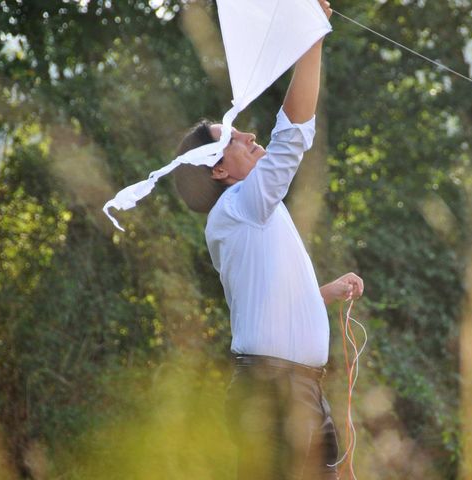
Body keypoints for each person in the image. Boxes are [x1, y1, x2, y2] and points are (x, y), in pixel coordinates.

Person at [172, 1, 363, 478]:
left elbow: (270, 309)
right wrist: (311, 35)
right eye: (233, 137)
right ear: (218, 170)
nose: (249, 134)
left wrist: (322, 295)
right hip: (275, 389)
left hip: (296, 389)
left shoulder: (248, 213)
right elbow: (292, 134)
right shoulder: (238, 208)